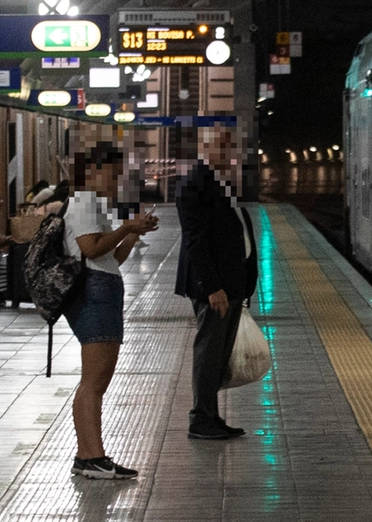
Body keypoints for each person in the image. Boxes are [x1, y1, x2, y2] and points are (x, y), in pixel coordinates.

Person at [64, 143, 159, 479]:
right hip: (95, 292)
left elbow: (110, 258)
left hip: (102, 288)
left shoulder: (93, 203)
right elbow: (90, 250)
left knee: (97, 381)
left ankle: (90, 455)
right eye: (114, 171)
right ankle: (90, 457)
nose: (119, 178)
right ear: (94, 170)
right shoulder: (85, 201)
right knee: (93, 380)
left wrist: (133, 235)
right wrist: (126, 229)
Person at [174, 127, 257, 440]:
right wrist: (212, 287)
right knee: (209, 352)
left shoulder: (220, 181)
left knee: (218, 353)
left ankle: (211, 415)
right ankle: (201, 419)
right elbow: (195, 240)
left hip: (231, 282)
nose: (232, 153)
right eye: (226, 147)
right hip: (215, 286)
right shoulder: (195, 182)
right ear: (207, 149)